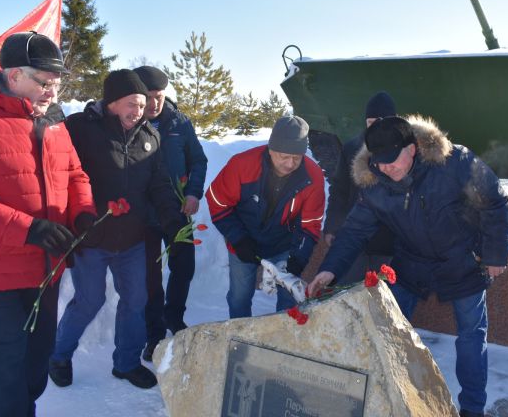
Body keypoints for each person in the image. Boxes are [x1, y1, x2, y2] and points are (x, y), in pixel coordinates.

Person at [0, 31, 96, 416]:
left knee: (32, 369)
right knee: (3, 373)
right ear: (13, 75)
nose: (52, 93)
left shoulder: (53, 122)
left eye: (58, 84)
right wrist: (30, 229)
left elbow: (75, 174)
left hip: (46, 269)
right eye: (45, 83)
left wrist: (84, 211)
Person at [308, 115, 508, 417]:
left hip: (463, 260)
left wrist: (494, 254)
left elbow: (494, 200)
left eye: (393, 160)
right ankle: (390, 396)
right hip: (412, 262)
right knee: (388, 329)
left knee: (471, 337)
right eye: (380, 162)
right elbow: (353, 231)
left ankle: (472, 408)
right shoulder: (374, 182)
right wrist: (329, 269)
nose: (387, 168)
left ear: (412, 149)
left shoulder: (455, 162)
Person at [48, 69, 184, 390]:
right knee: (89, 300)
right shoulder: (81, 129)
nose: (139, 110)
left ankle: (126, 363)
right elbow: (58, 165)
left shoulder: (150, 137)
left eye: (142, 104)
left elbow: (159, 185)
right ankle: (58, 355)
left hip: (132, 239)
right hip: (91, 237)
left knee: (136, 300)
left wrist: (172, 217)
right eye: (132, 103)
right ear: (111, 102)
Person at [207, 116, 325, 317]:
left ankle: (283, 338)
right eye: (284, 156)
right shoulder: (242, 165)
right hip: (244, 239)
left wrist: (297, 259)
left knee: (289, 298)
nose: (289, 164)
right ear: (271, 149)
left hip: (284, 244)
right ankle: (239, 335)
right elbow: (218, 202)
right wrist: (239, 239)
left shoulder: (312, 176)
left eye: (296, 158)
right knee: (239, 296)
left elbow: (310, 225)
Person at [133, 66, 208, 362]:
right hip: (145, 216)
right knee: (151, 277)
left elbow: (198, 161)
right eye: (148, 98)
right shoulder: (129, 122)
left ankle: (173, 318)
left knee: (183, 267)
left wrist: (193, 193)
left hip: (178, 211)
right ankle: (153, 335)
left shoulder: (179, 122)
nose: (153, 104)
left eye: (159, 97)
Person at [323, 91, 396, 283]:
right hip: (354, 237)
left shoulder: (404, 150)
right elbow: (339, 190)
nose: (377, 127)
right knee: (347, 290)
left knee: (384, 295)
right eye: (372, 122)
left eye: (382, 121)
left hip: (390, 239)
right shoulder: (352, 148)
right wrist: (332, 226)